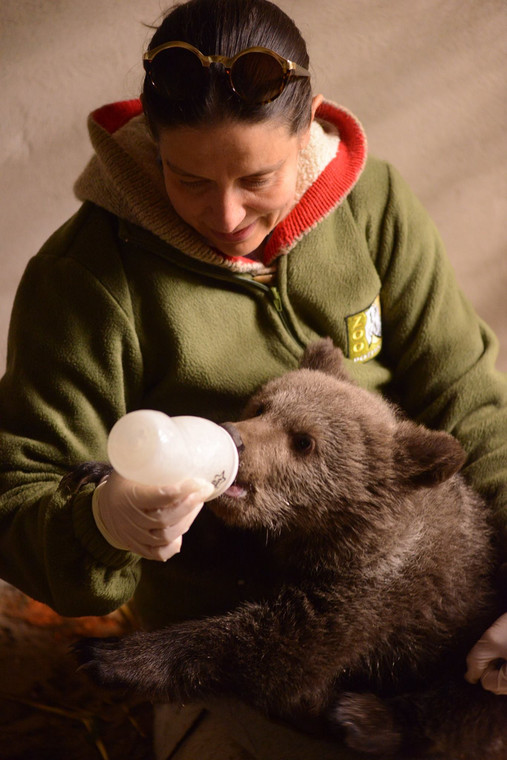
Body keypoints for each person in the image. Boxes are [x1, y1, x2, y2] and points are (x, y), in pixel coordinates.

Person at [0, 0, 505, 756]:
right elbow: (20, 501)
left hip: (440, 642)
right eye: (188, 179)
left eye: (256, 178)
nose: (227, 213)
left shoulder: (373, 206)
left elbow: (467, 398)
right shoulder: (85, 280)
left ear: (306, 135)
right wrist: (103, 524)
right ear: (148, 144)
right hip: (219, 648)